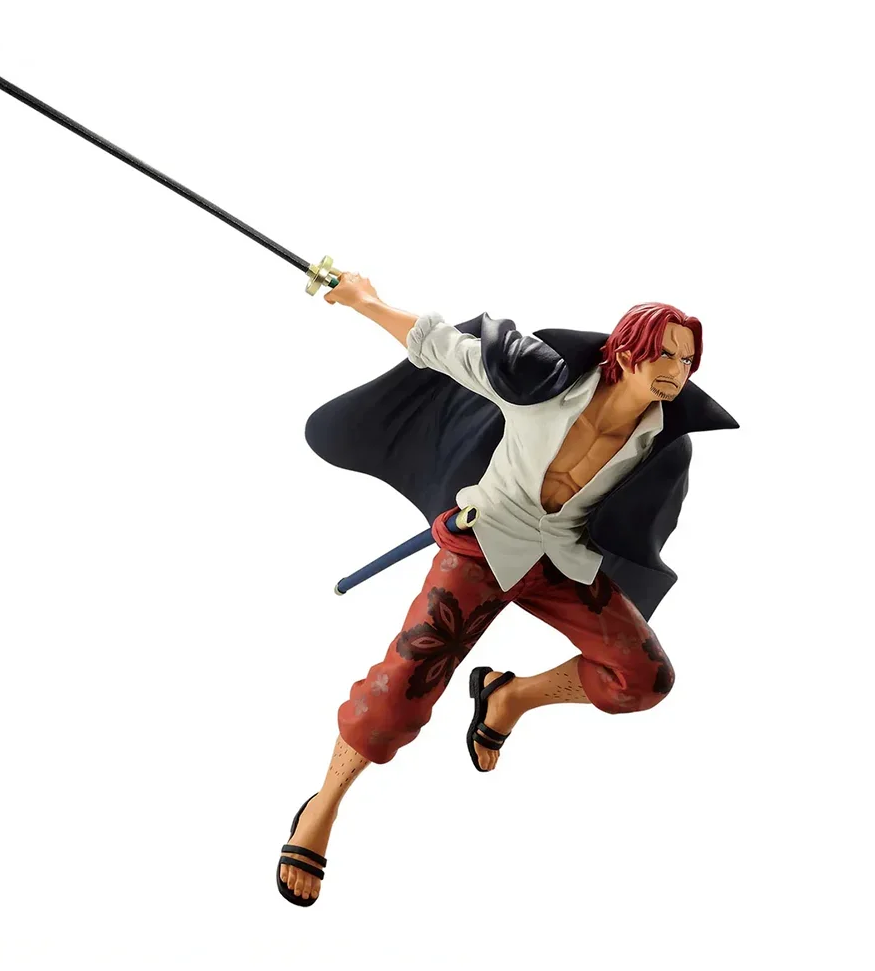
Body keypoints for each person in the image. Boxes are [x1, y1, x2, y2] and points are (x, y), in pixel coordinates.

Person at [274, 273, 738, 906]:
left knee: (644, 679)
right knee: (398, 693)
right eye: (666, 354)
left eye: (687, 361)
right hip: (483, 548)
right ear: (628, 348)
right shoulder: (541, 382)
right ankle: (322, 807)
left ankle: (509, 696)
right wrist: (364, 300)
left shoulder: (663, 442)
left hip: (562, 563)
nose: (677, 372)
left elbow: (642, 524)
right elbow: (439, 345)